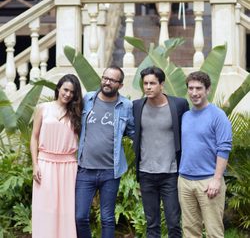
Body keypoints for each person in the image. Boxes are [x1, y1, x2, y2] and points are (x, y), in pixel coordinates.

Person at [75, 66, 134, 238]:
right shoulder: (87, 99)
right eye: (105, 78)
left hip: (111, 171)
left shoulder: (126, 106)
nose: (107, 82)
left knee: (107, 218)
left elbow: (133, 131)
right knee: (80, 216)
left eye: (112, 80)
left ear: (120, 85)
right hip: (85, 169)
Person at [133, 66, 189, 238]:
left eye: (152, 83)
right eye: (145, 83)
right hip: (146, 173)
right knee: (152, 225)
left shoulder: (179, 104)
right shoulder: (136, 106)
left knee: (173, 223)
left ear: (161, 84)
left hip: (170, 173)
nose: (148, 87)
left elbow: (187, 133)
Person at [178, 71, 232, 238]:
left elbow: (224, 148)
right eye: (191, 88)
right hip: (185, 181)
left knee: (213, 231)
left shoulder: (218, 116)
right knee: (189, 231)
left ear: (208, 90)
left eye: (199, 88)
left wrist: (216, 179)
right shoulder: (185, 116)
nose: (194, 93)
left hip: (209, 181)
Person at [31, 74, 83, 238]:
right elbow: (34, 137)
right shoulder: (43, 108)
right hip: (45, 163)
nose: (68, 94)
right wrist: (35, 164)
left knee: (66, 211)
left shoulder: (76, 113)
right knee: (44, 209)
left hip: (69, 166)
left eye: (72, 92)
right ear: (58, 88)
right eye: (65, 89)